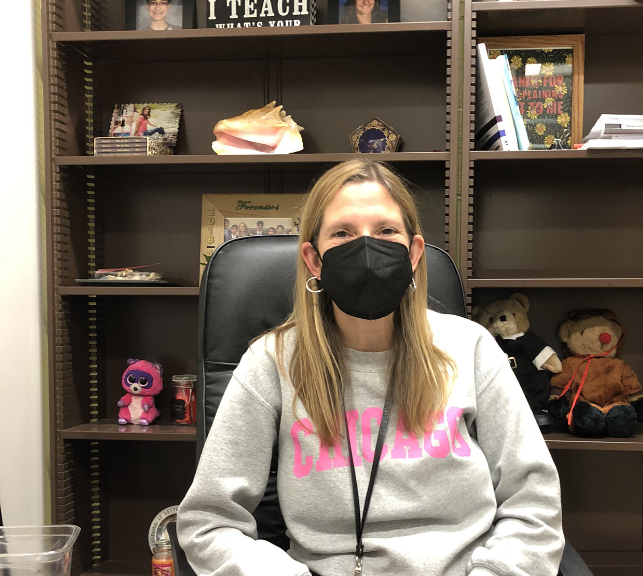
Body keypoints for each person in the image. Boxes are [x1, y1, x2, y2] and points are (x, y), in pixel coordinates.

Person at [177, 160, 563, 576]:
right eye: (342, 233)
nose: (366, 248)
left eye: (386, 232)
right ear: (314, 260)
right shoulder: (272, 361)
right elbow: (209, 523)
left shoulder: (470, 348)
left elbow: (534, 504)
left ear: (413, 254)